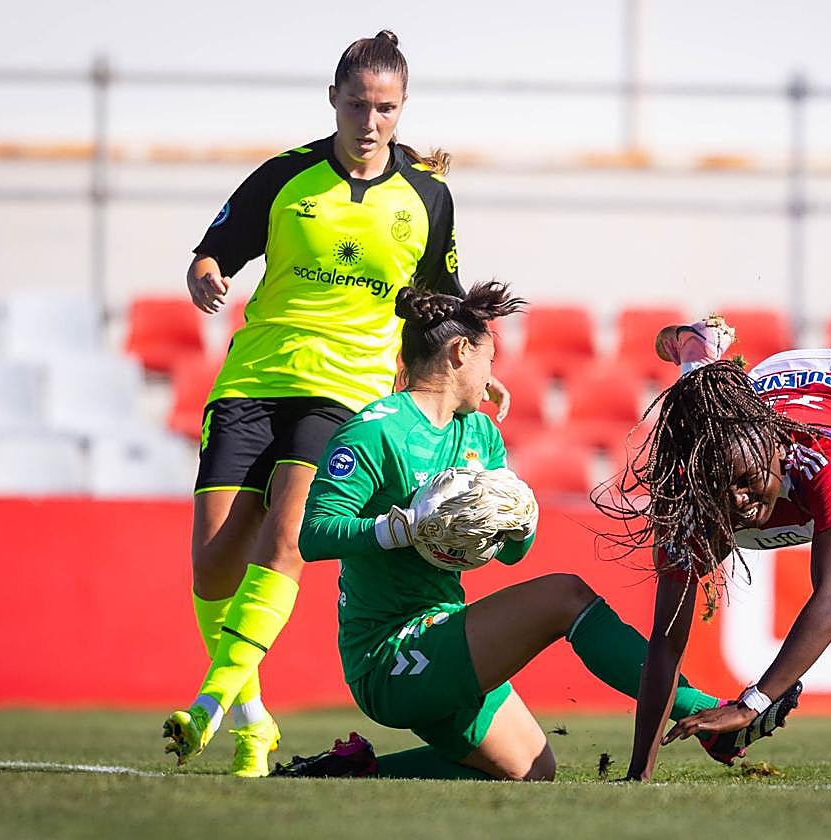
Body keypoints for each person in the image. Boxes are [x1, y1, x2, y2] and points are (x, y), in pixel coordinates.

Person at [165, 30, 508, 777]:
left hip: (345, 389)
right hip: (254, 378)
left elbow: (440, 302)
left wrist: (473, 367)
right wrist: (205, 272)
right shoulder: (286, 177)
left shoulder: (426, 196)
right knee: (214, 571)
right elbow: (215, 246)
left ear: (403, 107)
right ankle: (254, 720)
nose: (371, 121)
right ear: (333, 100)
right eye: (358, 104)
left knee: (287, 537)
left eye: (386, 107)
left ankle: (208, 705)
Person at [261, 283, 768, 782]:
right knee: (564, 596)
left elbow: (512, 556)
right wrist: (405, 528)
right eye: (489, 360)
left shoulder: (479, 432)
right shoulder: (374, 431)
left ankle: (350, 773)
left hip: (444, 630)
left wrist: (519, 520)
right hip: (389, 654)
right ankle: (707, 714)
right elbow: (315, 534)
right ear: (460, 353)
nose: (492, 375)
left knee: (531, 770)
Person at [604, 319, 831, 781]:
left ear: (774, 453)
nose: (741, 505)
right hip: (761, 400)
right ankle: (697, 359)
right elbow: (666, 640)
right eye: (723, 489)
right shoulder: (692, 493)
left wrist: (752, 705)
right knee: (703, 448)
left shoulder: (825, 460)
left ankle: (698, 356)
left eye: (749, 484)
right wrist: (638, 774)